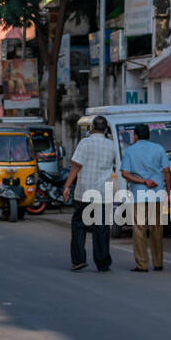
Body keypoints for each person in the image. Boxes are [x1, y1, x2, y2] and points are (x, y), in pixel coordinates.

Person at [62, 115, 114, 272]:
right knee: (102, 228)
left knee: (79, 225)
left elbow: (76, 166)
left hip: (84, 191)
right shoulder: (112, 145)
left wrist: (66, 186)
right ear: (106, 129)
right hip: (103, 193)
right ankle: (103, 262)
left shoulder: (84, 143)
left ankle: (79, 260)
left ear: (91, 128)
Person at [120, 123, 171, 272]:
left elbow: (125, 173)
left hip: (139, 195)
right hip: (157, 195)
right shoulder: (159, 149)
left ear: (135, 136)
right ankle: (158, 262)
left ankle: (142, 264)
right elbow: (167, 172)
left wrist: (143, 181)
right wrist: (168, 192)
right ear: (148, 135)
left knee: (139, 230)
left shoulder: (129, 151)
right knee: (157, 230)